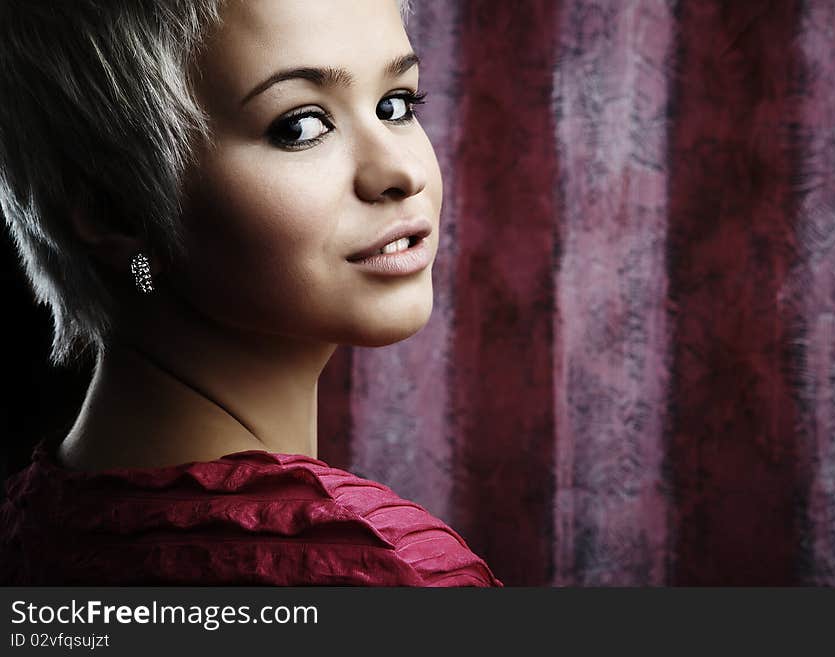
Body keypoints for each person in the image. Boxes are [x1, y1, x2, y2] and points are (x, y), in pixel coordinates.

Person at [0, 0, 501, 587]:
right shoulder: (383, 573)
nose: (401, 172)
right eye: (300, 125)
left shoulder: (28, 527)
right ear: (112, 208)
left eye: (395, 105)